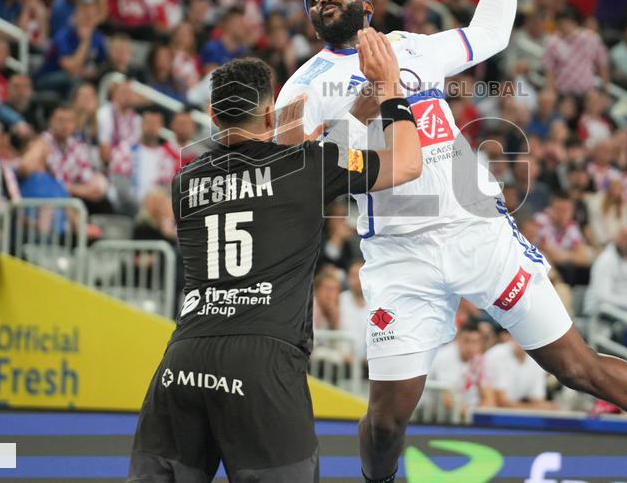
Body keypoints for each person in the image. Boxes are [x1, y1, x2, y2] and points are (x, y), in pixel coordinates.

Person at [274, 0, 627, 483]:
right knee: (384, 422)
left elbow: (491, 32)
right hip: (399, 255)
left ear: (367, 7)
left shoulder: (415, 48)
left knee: (576, 366)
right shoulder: (302, 87)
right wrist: (362, 108)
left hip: (478, 231)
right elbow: (291, 169)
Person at [127, 31, 422, 481]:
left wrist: (346, 122)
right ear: (269, 111)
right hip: (262, 365)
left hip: (183, 360)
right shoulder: (309, 164)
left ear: (211, 115)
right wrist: (393, 93)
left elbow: (276, 173)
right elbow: (406, 163)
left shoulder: (183, 183)